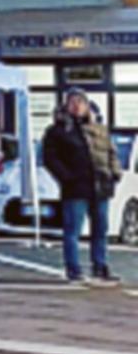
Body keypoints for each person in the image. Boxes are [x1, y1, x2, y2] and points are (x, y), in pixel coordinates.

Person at [43, 87, 122, 286]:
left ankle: (100, 266)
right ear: (66, 106)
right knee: (73, 230)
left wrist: (114, 173)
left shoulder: (98, 129)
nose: (77, 106)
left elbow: (112, 153)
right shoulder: (58, 131)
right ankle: (73, 268)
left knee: (100, 229)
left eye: (81, 102)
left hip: (100, 186)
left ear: (87, 105)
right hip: (75, 188)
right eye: (72, 102)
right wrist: (66, 177)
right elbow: (50, 158)